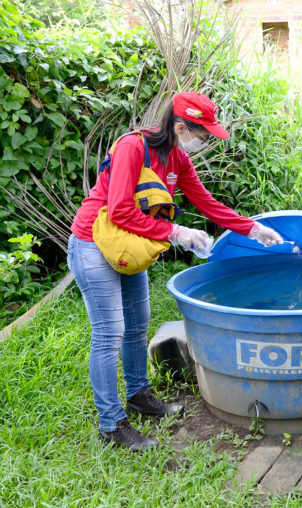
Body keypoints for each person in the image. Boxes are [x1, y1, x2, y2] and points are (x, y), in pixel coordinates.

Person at [67, 92, 283, 451]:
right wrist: (177, 233)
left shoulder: (177, 159)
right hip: (93, 242)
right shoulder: (132, 149)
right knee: (110, 332)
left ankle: (138, 395)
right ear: (180, 126)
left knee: (138, 324)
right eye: (203, 135)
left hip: (130, 247)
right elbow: (119, 210)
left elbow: (206, 202)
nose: (206, 141)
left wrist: (251, 228)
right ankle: (111, 425)